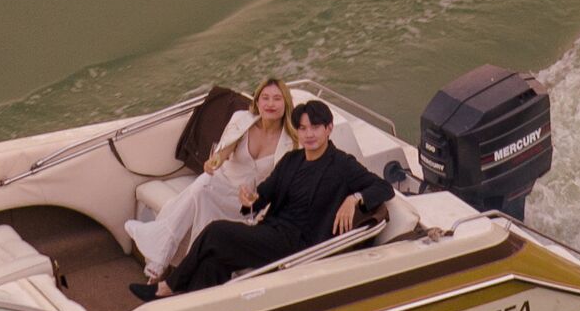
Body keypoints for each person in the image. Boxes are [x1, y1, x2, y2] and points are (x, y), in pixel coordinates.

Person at [142, 100, 388, 297]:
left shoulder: (342, 165)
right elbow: (264, 193)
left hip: (299, 245)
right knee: (213, 262)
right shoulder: (292, 160)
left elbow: (382, 187)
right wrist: (250, 198)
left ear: (329, 129)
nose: (309, 134)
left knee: (216, 232)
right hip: (271, 231)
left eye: (315, 127)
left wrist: (354, 198)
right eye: (303, 128)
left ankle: (169, 287)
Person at [124, 77, 291, 282]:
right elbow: (223, 152)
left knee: (198, 194)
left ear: (286, 103)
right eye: (265, 98)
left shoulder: (290, 141)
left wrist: (259, 201)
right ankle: (163, 262)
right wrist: (213, 162)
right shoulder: (242, 119)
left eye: (277, 99)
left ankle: (165, 259)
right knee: (202, 187)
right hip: (223, 184)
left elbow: (282, 185)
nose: (270, 104)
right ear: (257, 101)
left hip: (249, 202)